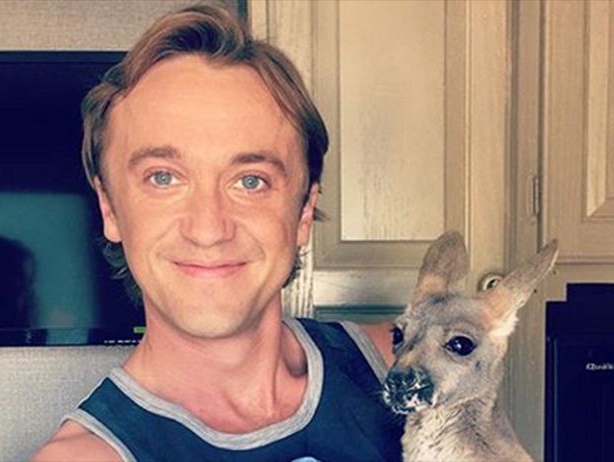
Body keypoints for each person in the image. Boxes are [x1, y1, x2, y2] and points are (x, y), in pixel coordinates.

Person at [32, 4, 402, 461]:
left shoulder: (403, 363)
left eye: (250, 181)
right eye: (163, 178)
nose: (208, 230)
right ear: (110, 208)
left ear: (304, 210)